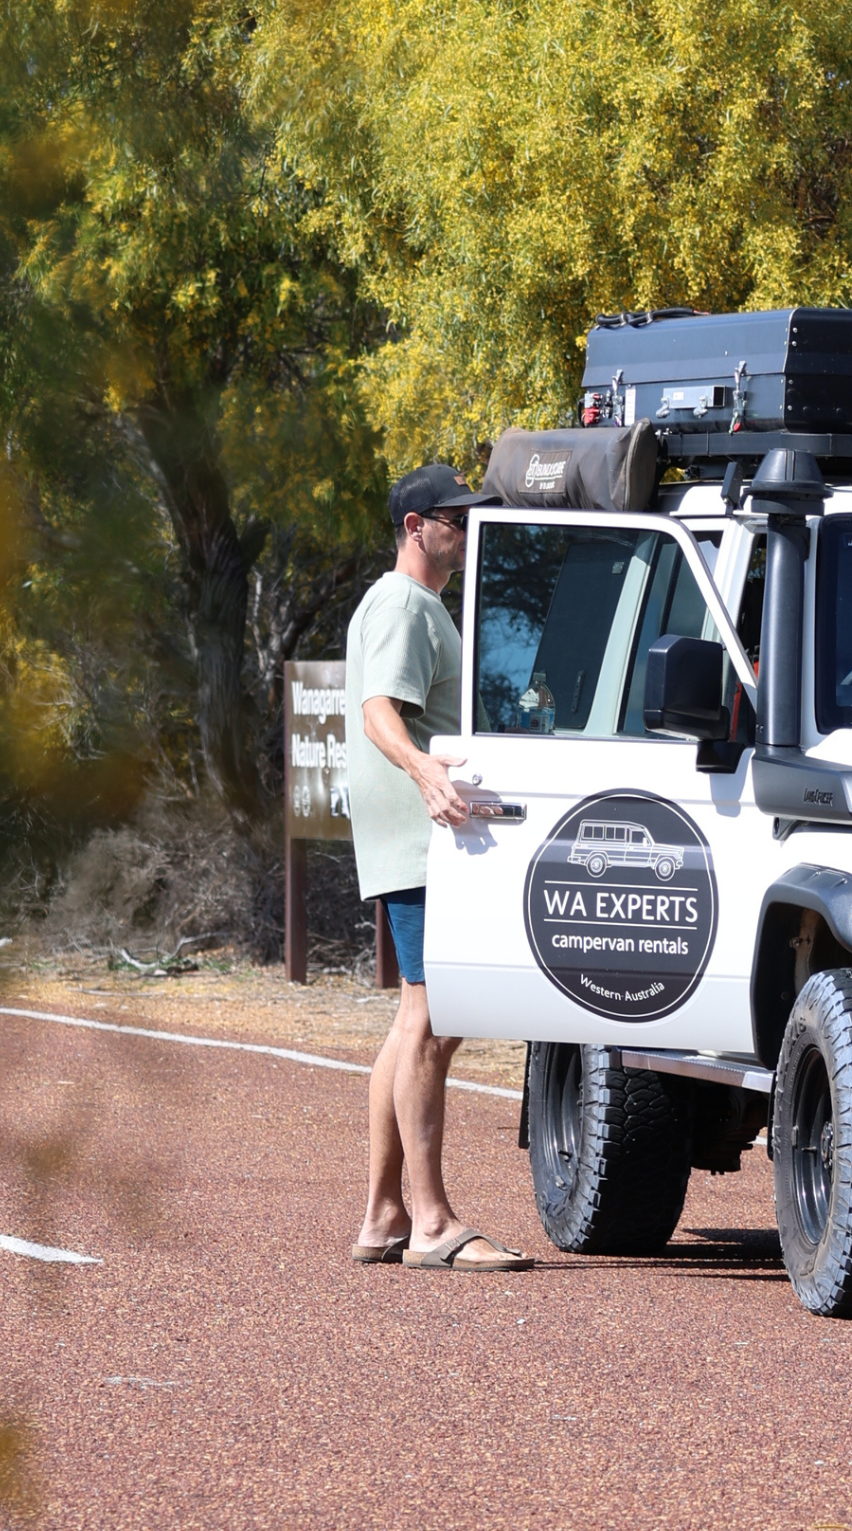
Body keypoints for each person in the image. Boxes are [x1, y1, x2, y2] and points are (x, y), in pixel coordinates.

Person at [347, 463, 532, 1273]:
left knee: (414, 1020)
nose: (468, 527)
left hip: (413, 839)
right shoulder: (402, 601)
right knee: (432, 1021)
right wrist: (425, 770)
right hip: (419, 838)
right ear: (418, 525)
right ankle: (429, 1221)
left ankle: (385, 1215)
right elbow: (378, 708)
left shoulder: (419, 606)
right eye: (456, 517)